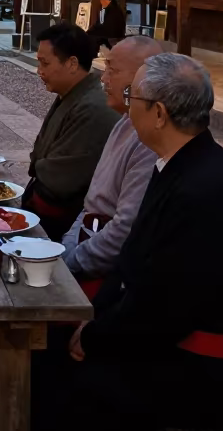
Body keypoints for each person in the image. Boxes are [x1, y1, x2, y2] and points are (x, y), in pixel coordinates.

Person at [34, 53, 223, 431]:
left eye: (133, 97)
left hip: (209, 372)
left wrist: (98, 336)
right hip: (172, 342)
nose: (126, 104)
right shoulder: (179, 164)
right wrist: (95, 322)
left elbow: (166, 308)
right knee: (49, 352)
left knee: (77, 392)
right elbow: (134, 264)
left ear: (159, 113)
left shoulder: (204, 190)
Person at [61, 35, 161, 295]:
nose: (103, 79)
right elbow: (91, 204)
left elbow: (124, 229)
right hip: (86, 243)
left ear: (143, 80)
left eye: (112, 71)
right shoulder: (125, 122)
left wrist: (69, 263)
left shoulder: (151, 141)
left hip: (110, 272)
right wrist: (66, 248)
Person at [21, 22, 119, 241]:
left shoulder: (94, 108)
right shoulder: (73, 94)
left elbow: (62, 176)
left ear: (72, 63)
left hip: (64, 219)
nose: (39, 71)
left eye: (45, 63)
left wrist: (39, 165)